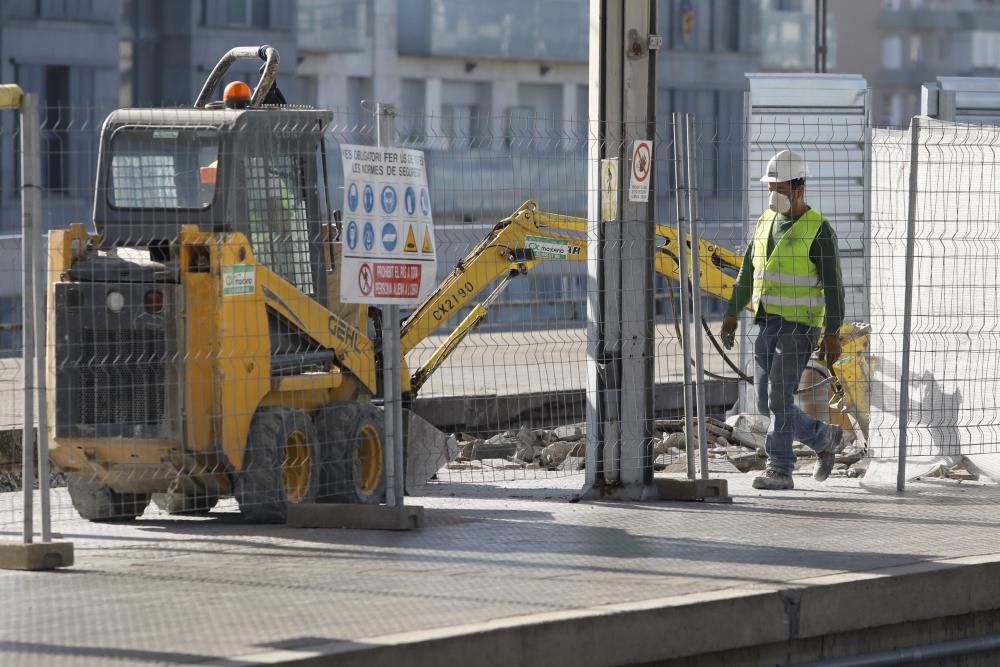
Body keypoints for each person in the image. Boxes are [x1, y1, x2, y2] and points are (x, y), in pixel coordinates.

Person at [720, 149, 845, 490]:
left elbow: (834, 286)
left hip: (799, 327)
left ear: (799, 188)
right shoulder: (765, 222)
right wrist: (732, 312)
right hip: (768, 324)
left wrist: (831, 332)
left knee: (778, 397)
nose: (772, 194)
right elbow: (748, 271)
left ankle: (781, 468)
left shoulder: (818, 230)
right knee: (765, 400)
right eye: (769, 187)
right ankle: (824, 439)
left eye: (778, 188)